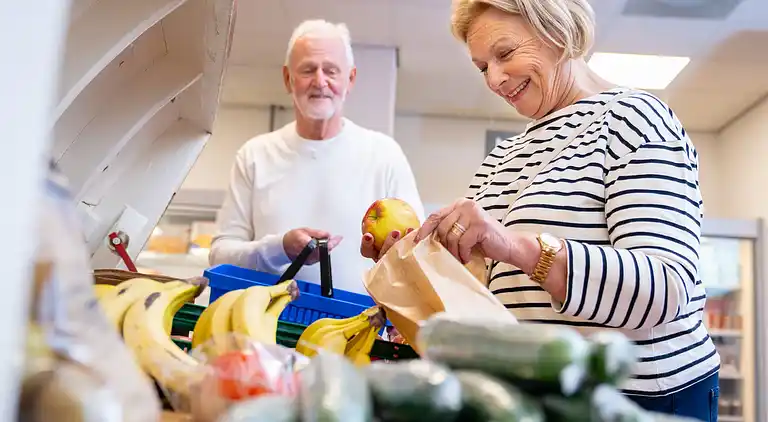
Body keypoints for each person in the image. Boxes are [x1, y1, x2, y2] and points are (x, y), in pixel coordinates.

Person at [361, 0, 719, 419]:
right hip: (537, 397)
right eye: (482, 67)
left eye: (505, 53)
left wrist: (518, 247)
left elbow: (665, 289)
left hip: (638, 398)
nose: (494, 79)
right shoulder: (501, 159)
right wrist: (412, 267)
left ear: (557, 30)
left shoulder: (633, 119)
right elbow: (482, 297)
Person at [211, 19, 424, 295]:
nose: (320, 81)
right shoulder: (254, 156)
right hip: (263, 319)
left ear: (350, 79)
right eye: (308, 70)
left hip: (359, 321)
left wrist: (397, 255)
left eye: (331, 71)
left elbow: (418, 252)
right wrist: (280, 248)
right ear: (288, 78)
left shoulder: (384, 155)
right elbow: (219, 256)